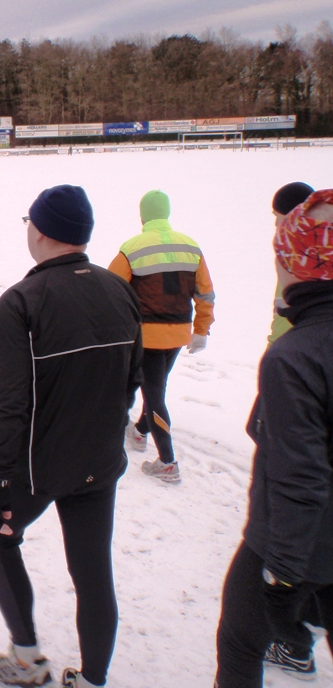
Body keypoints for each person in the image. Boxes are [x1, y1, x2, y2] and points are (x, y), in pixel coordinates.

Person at [0, 184, 142, 688]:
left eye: (30, 221)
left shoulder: (21, 302)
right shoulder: (118, 289)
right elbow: (132, 379)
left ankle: (27, 657)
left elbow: (8, 403)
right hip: (99, 459)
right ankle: (93, 679)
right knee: (93, 573)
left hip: (38, 466)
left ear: (42, 231)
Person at [215, 189, 333, 687]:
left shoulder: (295, 356)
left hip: (296, 545)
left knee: (240, 642)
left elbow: (299, 477)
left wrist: (281, 579)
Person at [109, 190, 215, 483]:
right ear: (166, 213)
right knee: (156, 386)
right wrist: (202, 330)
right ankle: (141, 431)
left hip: (146, 336)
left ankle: (167, 462)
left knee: (154, 394)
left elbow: (111, 289)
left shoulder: (132, 248)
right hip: (179, 334)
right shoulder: (191, 247)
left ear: (142, 215)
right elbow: (205, 292)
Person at [268, 182, 314, 346]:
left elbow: (285, 317)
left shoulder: (300, 257)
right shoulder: (319, 248)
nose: (275, 223)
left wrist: (274, 347)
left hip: (297, 349)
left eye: (277, 216)